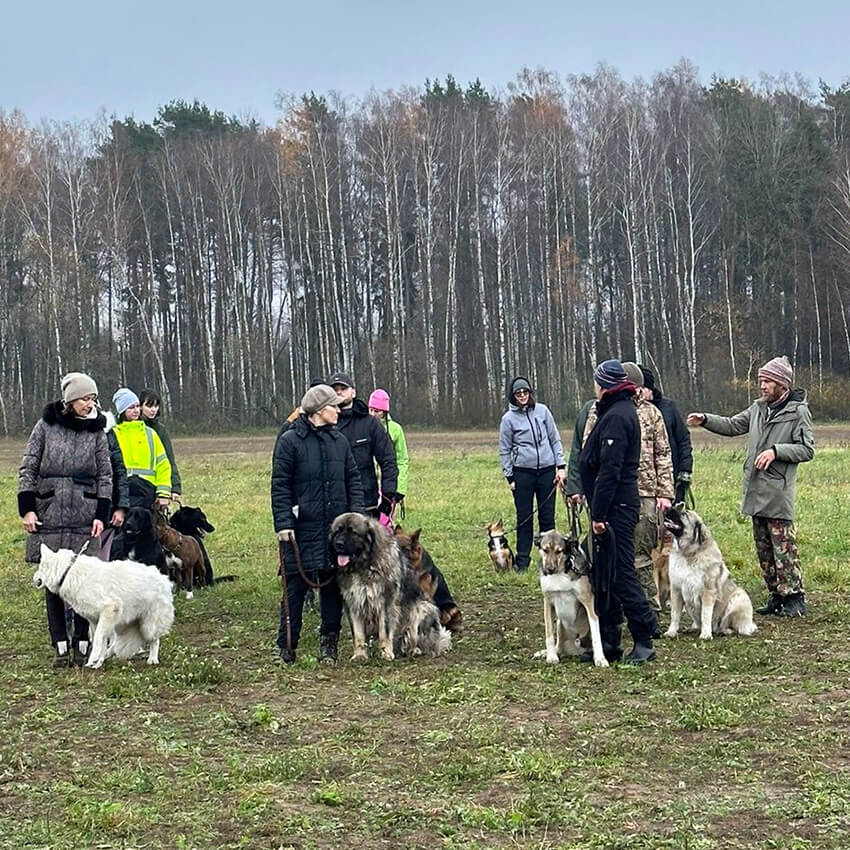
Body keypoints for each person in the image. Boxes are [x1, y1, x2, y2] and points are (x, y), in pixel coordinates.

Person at [687, 355, 814, 617]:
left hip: (778, 492)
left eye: (767, 381)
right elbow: (733, 425)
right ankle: (776, 595)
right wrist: (706, 419)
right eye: (761, 380)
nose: (763, 386)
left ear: (782, 384)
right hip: (756, 491)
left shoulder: (798, 411)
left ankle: (794, 598)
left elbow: (807, 449)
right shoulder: (757, 408)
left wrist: (776, 451)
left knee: (783, 547)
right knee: (764, 548)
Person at [18, 372, 112, 667]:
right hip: (49, 513)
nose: (91, 404)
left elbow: (105, 475)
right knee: (53, 581)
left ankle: (82, 643)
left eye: (94, 398)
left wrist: (101, 514)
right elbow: (29, 467)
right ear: (70, 400)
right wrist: (27, 508)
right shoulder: (45, 426)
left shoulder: (96, 431)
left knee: (83, 581)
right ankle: (60, 645)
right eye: (86, 398)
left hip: (84, 515)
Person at [272, 384, 365, 664]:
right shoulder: (289, 442)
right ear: (318, 410)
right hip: (300, 530)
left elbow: (353, 481)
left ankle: (329, 646)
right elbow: (280, 486)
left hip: (334, 532)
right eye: (333, 406)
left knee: (332, 588)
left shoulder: (339, 442)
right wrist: (283, 523)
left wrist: (356, 519)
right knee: (294, 589)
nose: (338, 410)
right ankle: (286, 646)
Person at [579, 359, 658, 664]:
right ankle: (609, 641)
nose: (594, 387)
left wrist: (598, 517)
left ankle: (644, 637)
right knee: (603, 574)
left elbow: (610, 472)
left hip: (616, 508)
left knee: (622, 573)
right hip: (610, 506)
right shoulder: (613, 412)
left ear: (606, 385)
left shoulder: (617, 417)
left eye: (597, 381)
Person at [499, 376, 567, 570]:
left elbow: (554, 439)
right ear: (513, 396)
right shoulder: (508, 420)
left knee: (547, 517)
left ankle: (549, 559)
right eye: (518, 393)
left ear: (530, 393)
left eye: (525, 392)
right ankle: (522, 560)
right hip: (523, 473)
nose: (522, 396)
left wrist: (560, 466)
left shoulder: (543, 411)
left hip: (547, 471)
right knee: (525, 517)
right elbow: (504, 449)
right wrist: (510, 477)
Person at [328, 372, 398, 519]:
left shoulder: (369, 423)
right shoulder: (324, 424)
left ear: (353, 392)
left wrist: (388, 494)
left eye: (343, 388)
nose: (339, 392)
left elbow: (388, 458)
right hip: (332, 503)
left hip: (367, 502)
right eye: (335, 389)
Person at [638, 365, 693, 505]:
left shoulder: (668, 407)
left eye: (644, 388)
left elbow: (683, 439)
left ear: (650, 389)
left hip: (670, 474)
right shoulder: (630, 411)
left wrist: (685, 469)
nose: (640, 392)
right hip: (644, 481)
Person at [368, 388, 409, 515]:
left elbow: (402, 460)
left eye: (377, 411)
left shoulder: (396, 430)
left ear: (385, 412)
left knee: (386, 524)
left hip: (389, 486)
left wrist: (400, 488)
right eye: (371, 410)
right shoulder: (364, 427)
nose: (373, 414)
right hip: (369, 486)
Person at [139, 389, 182, 502]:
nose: (153, 410)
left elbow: (169, 460)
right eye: (149, 406)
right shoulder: (130, 428)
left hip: (157, 486)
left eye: (156, 406)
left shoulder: (161, 431)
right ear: (140, 406)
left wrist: (175, 487)